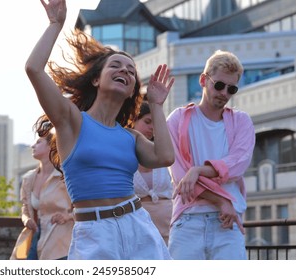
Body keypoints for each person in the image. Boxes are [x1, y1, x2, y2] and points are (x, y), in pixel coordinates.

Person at [25, 0, 174, 260]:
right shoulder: (71, 120)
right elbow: (33, 69)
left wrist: (157, 105)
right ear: (96, 79)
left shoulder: (131, 136)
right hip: (94, 233)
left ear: (130, 92)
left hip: (138, 225)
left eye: (130, 72)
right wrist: (55, 25)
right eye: (115, 66)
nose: (124, 71)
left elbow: (165, 157)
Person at [166, 50, 255, 260]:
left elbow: (238, 165)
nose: (224, 93)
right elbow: (181, 178)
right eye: (219, 85)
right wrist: (222, 202)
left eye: (231, 89)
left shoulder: (241, 121)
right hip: (189, 220)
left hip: (226, 224)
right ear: (203, 80)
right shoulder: (177, 120)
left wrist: (197, 171)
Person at [10, 127, 74, 260]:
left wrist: (67, 216)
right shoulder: (29, 178)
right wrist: (26, 219)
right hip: (35, 237)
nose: (33, 146)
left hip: (61, 241)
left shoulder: (65, 176)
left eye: (38, 142)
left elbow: (83, 205)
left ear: (52, 146)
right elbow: (25, 208)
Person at [132, 101, 174, 245]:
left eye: (155, 124)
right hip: (138, 230)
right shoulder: (123, 154)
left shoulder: (162, 152)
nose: (151, 128)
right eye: (147, 121)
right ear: (133, 120)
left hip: (168, 228)